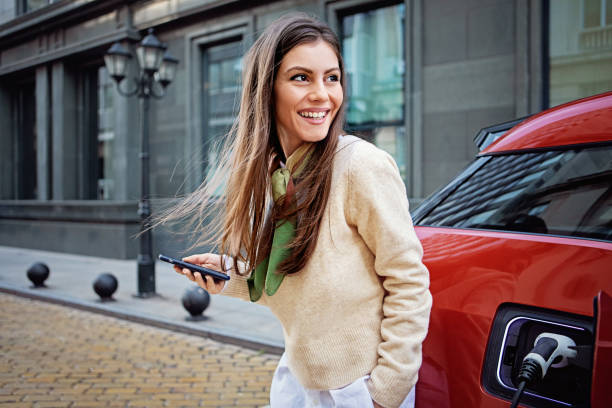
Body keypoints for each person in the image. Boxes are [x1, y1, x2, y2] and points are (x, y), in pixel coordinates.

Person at [162, 13, 432, 408]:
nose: (323, 94)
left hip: (358, 389)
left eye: (332, 77)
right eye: (301, 77)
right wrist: (231, 275)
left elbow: (409, 282)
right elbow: (304, 287)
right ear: (267, 89)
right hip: (298, 381)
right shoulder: (280, 174)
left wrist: (386, 391)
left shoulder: (361, 165)